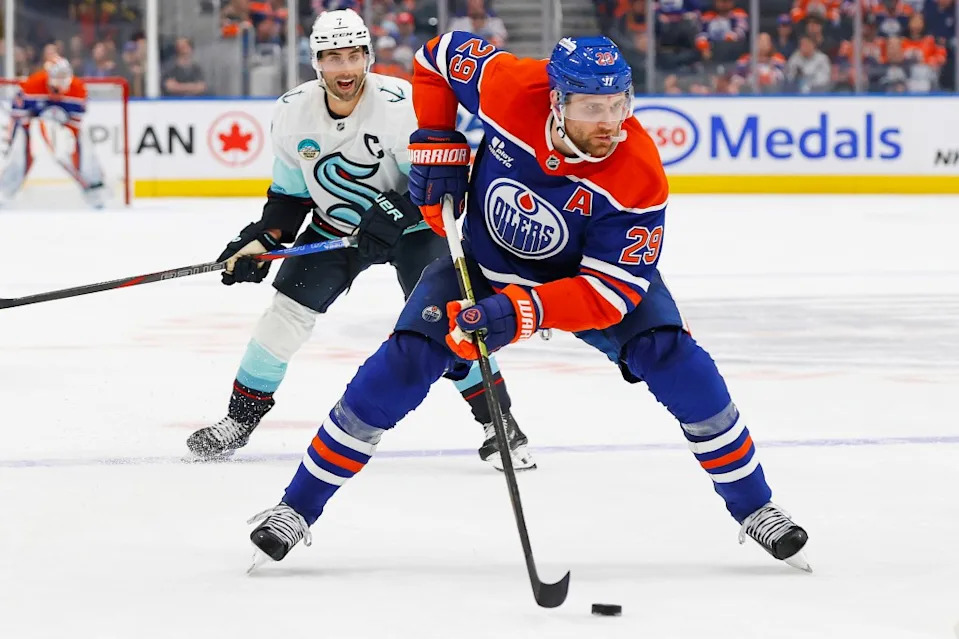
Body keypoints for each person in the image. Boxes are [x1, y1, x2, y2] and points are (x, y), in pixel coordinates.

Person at [245, 32, 811, 573]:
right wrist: (437, 136)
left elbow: (610, 294)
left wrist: (520, 312)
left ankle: (755, 507)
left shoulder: (637, 174)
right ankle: (296, 508)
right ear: (556, 102)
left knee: (677, 360)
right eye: (591, 107)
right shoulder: (513, 87)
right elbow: (437, 56)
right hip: (485, 267)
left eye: (619, 105)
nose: (609, 123)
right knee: (403, 362)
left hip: (587, 282)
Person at [186, 10, 535, 473]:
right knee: (284, 315)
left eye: (353, 56)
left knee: (452, 320)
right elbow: (290, 198)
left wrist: (394, 215)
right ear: (316, 62)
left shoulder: (401, 105)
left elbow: (439, 185)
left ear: (368, 56)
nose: (345, 68)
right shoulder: (291, 111)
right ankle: (239, 419)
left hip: (416, 229)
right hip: (336, 229)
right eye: (333, 58)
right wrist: (264, 238)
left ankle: (499, 421)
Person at [0, 56, 107, 208]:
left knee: (84, 150)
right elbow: (18, 115)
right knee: (19, 155)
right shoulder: (33, 84)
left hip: (63, 127)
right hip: (33, 126)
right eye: (57, 78)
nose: (60, 84)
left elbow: (75, 123)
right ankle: (5, 192)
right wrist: (24, 134)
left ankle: (95, 189)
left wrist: (64, 137)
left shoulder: (78, 89)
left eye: (64, 78)